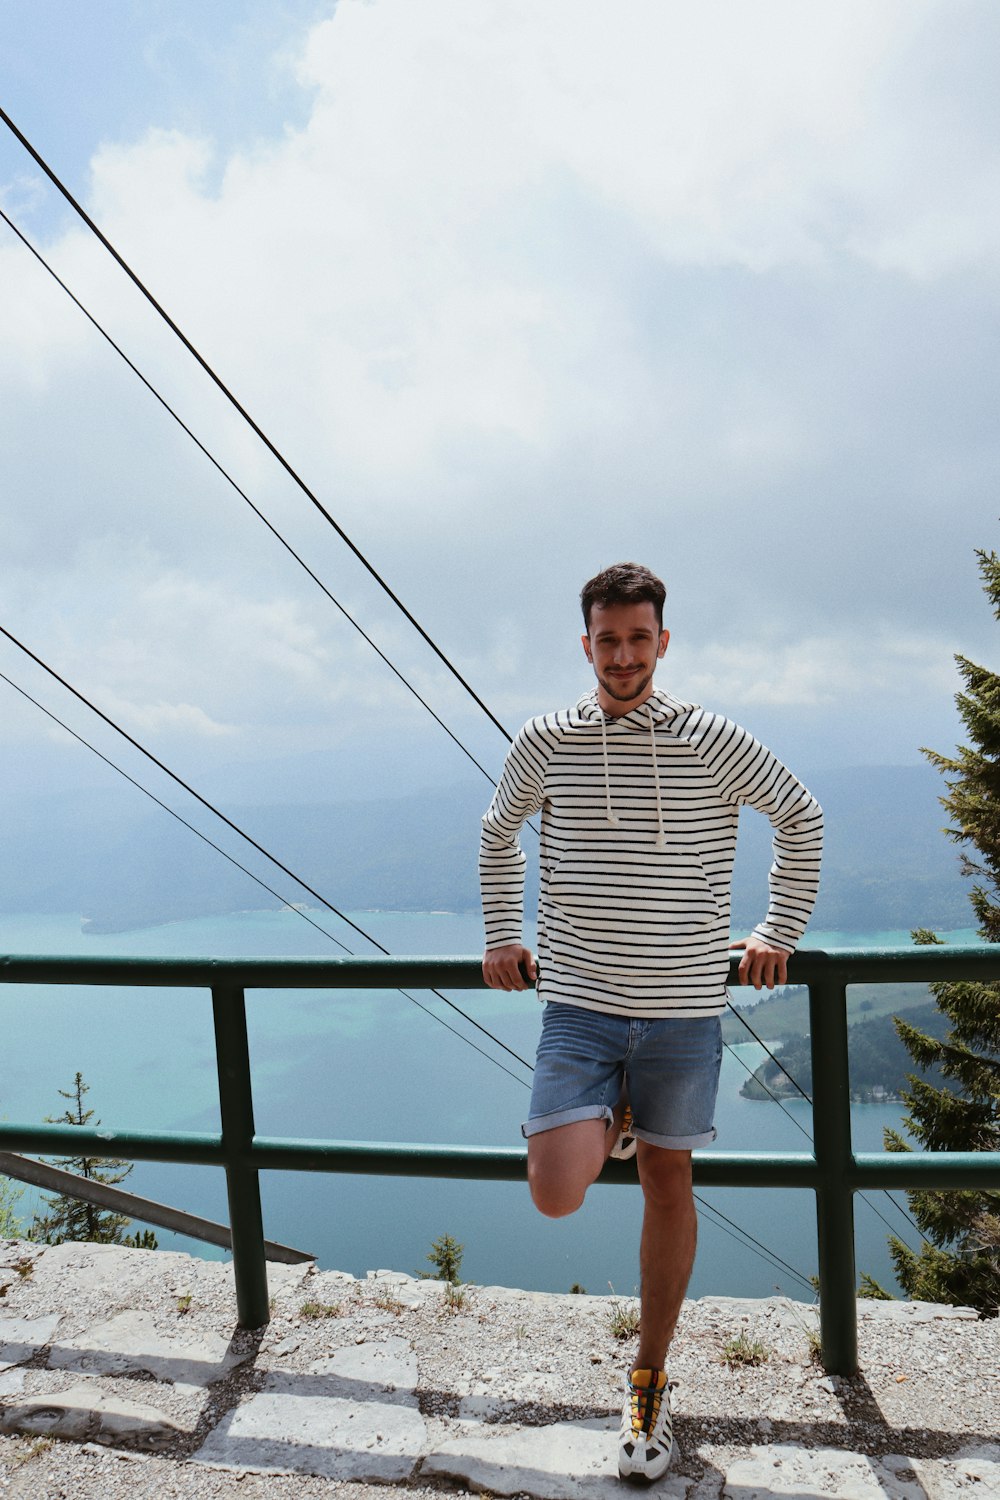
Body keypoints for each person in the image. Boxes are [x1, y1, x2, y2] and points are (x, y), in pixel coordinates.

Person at [479, 562, 823, 1484]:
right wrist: (501, 934)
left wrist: (775, 932)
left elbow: (801, 817)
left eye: (639, 638)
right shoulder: (547, 741)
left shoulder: (713, 739)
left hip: (680, 1013)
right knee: (555, 1190)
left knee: (672, 1184)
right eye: (607, 639)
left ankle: (648, 1381)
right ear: (584, 643)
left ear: (662, 642)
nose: (623, 655)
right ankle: (613, 1122)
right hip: (581, 1008)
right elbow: (496, 830)